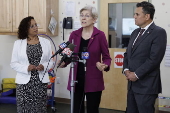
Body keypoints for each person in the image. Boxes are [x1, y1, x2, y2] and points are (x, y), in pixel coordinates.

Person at [58, 5, 112, 113]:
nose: (83, 18)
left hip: (93, 79)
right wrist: (63, 62)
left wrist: (104, 65)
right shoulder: (74, 35)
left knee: (92, 109)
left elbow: (107, 57)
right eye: (82, 15)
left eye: (87, 16)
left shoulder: (100, 35)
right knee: (77, 110)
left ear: (94, 19)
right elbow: (69, 55)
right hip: (76, 78)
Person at [123, 1, 167, 113]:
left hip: (147, 86)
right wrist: (126, 69)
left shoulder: (158, 32)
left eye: (137, 14)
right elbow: (127, 54)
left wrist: (136, 74)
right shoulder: (135, 32)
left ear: (147, 16)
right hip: (132, 85)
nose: (134, 17)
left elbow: (154, 59)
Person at [10, 16, 54, 113]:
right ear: (26, 29)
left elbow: (51, 62)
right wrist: (27, 68)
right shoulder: (18, 43)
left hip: (40, 82)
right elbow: (13, 63)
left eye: (36, 25)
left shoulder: (46, 42)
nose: (35, 27)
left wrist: (44, 66)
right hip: (24, 84)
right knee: (24, 109)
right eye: (32, 26)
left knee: (40, 109)